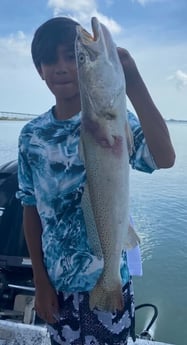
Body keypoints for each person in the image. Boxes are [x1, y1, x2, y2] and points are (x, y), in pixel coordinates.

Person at [16, 17, 175, 345]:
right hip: (57, 284)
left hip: (111, 277)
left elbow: (165, 158)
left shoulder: (114, 120)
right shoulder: (31, 136)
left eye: (73, 57)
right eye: (50, 60)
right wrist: (41, 283)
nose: (61, 67)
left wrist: (134, 82)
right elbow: (29, 210)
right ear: (39, 70)